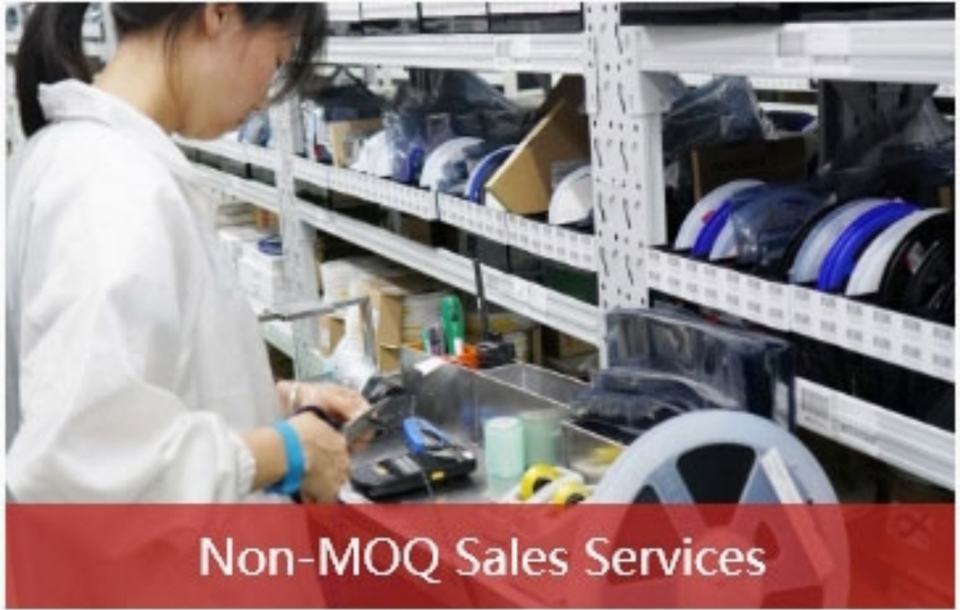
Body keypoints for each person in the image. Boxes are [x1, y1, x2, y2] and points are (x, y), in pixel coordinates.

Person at [6, 3, 366, 502]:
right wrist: (286, 449)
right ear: (218, 13)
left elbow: (137, 389)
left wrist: (279, 401)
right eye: (277, 61)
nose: (264, 98)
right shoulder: (109, 189)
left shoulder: (90, 160)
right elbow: (83, 462)